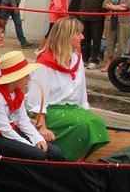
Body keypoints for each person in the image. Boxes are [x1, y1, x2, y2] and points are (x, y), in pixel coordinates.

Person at [28, 16, 110, 161]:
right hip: (49, 111)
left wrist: (84, 111)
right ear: (66, 36)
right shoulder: (45, 62)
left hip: (70, 108)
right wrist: (42, 127)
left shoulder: (76, 58)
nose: (83, 37)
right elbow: (37, 98)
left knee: (96, 122)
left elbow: (80, 91)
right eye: (78, 33)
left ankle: (77, 162)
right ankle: (70, 163)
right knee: (85, 125)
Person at [0, 51, 62, 160]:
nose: (29, 78)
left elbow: (23, 120)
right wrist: (29, 145)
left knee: (55, 152)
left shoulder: (17, 92)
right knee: (38, 154)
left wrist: (38, 139)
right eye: (26, 75)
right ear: (16, 78)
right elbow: (4, 128)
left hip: (12, 131)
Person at [79, 0, 111, 70]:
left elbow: (106, 1)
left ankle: (94, 60)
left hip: (96, 17)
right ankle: (84, 58)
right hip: (84, 15)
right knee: (84, 38)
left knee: (96, 39)